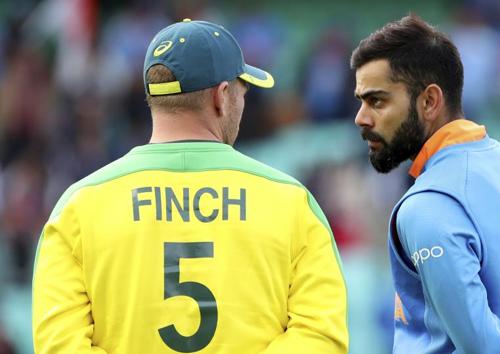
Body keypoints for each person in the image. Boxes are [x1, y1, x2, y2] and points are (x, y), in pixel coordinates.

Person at [32, 19, 348, 354]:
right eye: (242, 91)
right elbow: (321, 337)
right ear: (222, 97)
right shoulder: (291, 202)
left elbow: (59, 345)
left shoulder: (79, 207)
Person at [350, 15, 500, 354]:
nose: (361, 117)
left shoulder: (428, 207)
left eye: (377, 100)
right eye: (361, 101)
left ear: (429, 102)